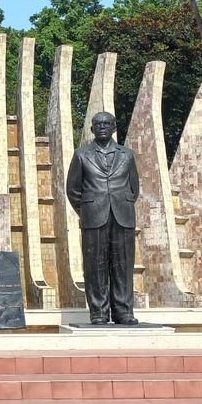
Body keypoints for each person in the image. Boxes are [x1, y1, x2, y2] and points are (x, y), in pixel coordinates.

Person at [66, 111, 140, 325]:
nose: (102, 127)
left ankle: (123, 312)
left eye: (107, 124)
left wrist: (121, 203)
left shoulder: (127, 154)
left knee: (123, 265)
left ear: (114, 127)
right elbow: (73, 190)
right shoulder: (81, 154)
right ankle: (98, 312)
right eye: (98, 124)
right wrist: (88, 208)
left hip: (122, 215)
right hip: (93, 215)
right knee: (95, 265)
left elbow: (134, 188)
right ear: (92, 129)